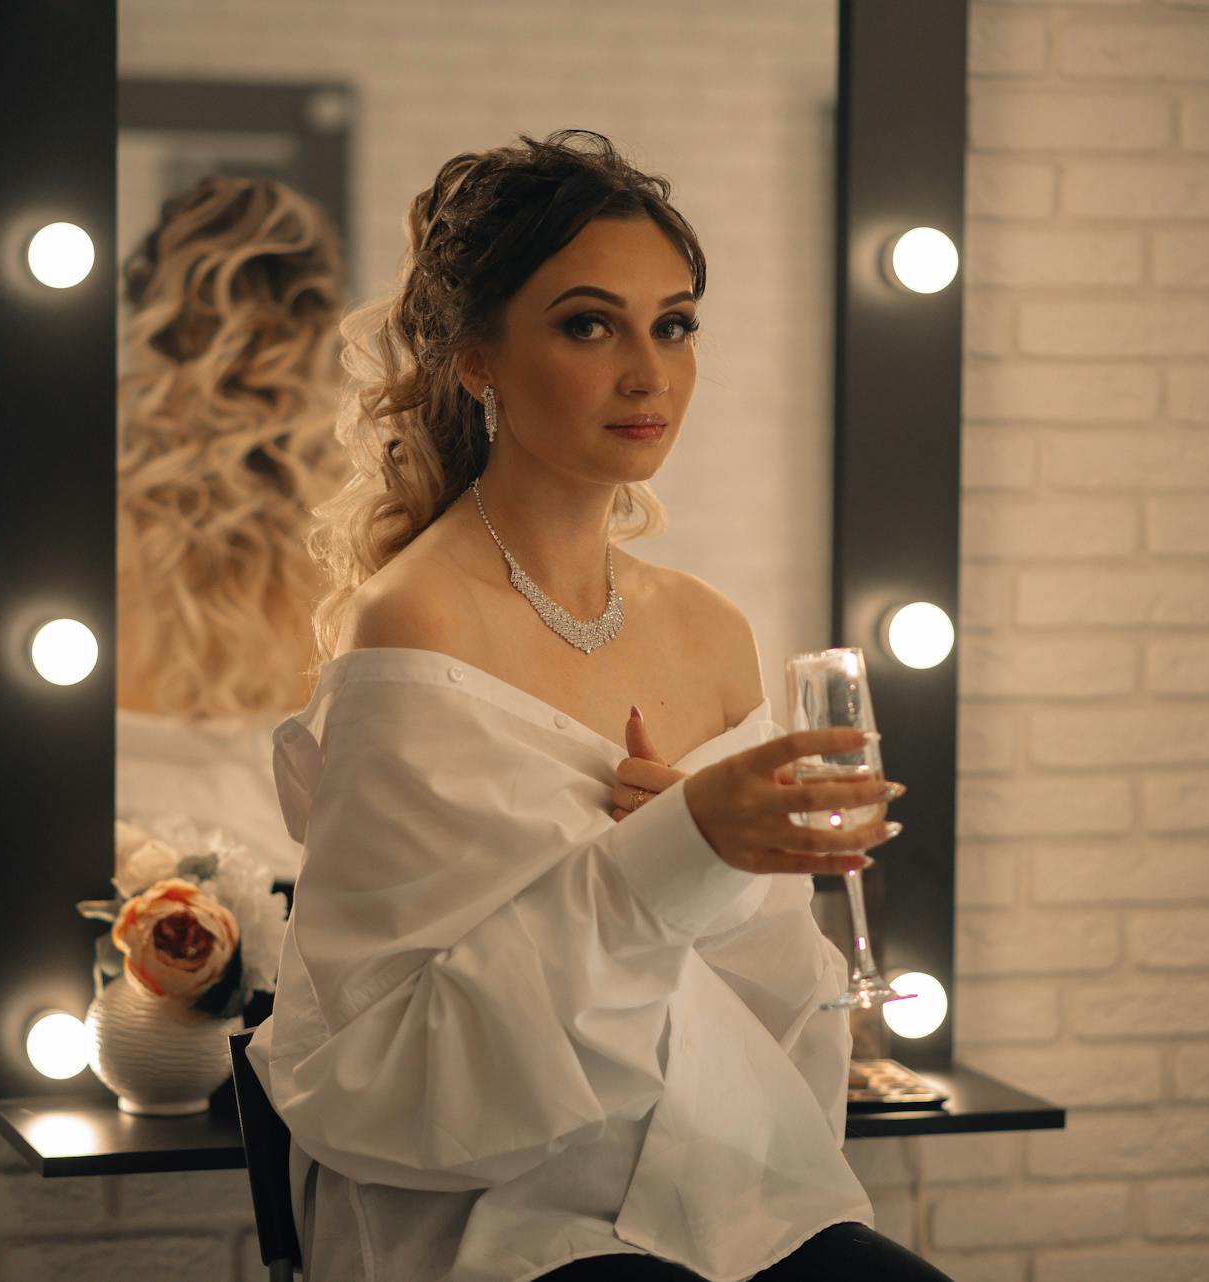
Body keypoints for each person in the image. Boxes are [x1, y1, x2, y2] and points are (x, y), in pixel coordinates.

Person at [247, 130, 950, 1282]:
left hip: (723, 1165)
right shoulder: (415, 625)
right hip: (500, 1209)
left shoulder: (710, 630)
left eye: (673, 324)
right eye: (589, 324)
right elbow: (386, 1068)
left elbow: (776, 1001)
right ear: (477, 358)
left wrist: (714, 862)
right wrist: (670, 855)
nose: (649, 371)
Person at [114, 174, 350, 883]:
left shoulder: (76, 506)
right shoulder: (364, 522)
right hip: (297, 900)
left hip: (108, 892)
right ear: (320, 319)